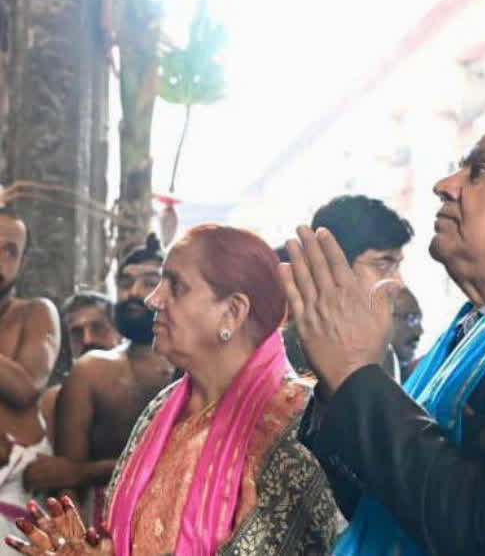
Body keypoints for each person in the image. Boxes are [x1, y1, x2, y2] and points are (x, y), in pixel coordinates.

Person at [281, 107, 485, 555]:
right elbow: (387, 499)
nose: (444, 185)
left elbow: (483, 526)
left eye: (480, 170)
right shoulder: (473, 323)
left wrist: (356, 375)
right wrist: (342, 382)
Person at [6, 225, 339, 554]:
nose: (153, 299)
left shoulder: (294, 423)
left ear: (232, 312)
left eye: (175, 286)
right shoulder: (165, 407)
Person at [23, 238, 176, 527]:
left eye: (149, 282)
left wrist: (86, 471)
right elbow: (65, 482)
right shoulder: (91, 371)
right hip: (103, 532)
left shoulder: (196, 369)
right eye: (125, 282)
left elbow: (189, 464)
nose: (134, 293)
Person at [280, 195, 415, 377]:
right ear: (333, 263)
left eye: (397, 265)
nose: (398, 283)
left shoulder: (378, 348)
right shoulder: (289, 355)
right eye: (382, 263)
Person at [0, 208, 60, 535]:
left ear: (22, 263)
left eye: (10, 251)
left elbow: (24, 388)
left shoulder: (36, 313)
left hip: (16, 488)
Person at [36, 293, 123, 450]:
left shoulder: (147, 384)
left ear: (119, 332)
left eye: (98, 328)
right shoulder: (54, 401)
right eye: (76, 332)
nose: (88, 339)